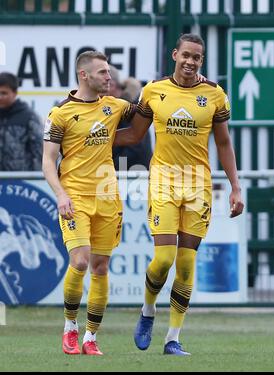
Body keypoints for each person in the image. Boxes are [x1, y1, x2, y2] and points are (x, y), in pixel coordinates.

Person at [114, 33, 244, 356]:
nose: (190, 61)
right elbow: (134, 134)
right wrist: (93, 139)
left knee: (186, 265)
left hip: (199, 186)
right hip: (163, 182)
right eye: (185, 55)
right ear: (175, 54)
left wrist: (235, 187)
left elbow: (225, 144)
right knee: (163, 259)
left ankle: (173, 338)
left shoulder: (214, 95)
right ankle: (147, 311)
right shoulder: (154, 91)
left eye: (196, 57)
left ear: (202, 61)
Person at [42, 51, 135, 356]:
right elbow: (47, 162)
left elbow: (150, 107)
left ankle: (91, 336)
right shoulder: (60, 114)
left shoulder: (115, 106)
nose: (110, 78)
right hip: (75, 198)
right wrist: (61, 194)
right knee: (80, 262)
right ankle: (70, 327)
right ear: (85, 75)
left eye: (109, 73)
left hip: (108, 198)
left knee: (100, 267)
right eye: (104, 73)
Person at [108, 65, 152, 170]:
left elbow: (136, 149)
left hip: (134, 177)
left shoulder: (131, 108)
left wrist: (109, 168)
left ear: (112, 85)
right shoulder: (111, 108)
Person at [0, 72, 43, 171]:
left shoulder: (29, 117)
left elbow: (39, 151)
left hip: (20, 182)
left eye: (4, 93)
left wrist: (37, 179)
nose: (0, 97)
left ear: (15, 93)